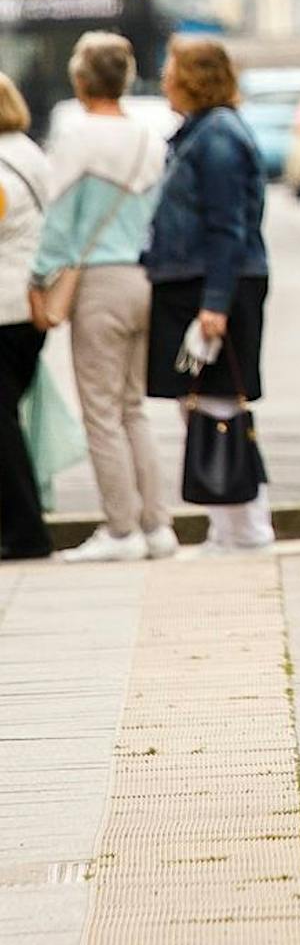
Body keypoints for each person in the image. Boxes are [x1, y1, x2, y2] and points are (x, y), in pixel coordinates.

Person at [29, 33, 169, 564]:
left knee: (102, 412)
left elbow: (59, 222)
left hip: (101, 285)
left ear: (82, 79)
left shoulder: (78, 138)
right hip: (144, 278)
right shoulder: (148, 139)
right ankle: (157, 526)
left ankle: (121, 528)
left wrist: (40, 277)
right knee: (133, 408)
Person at [142, 37, 273, 553]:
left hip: (214, 284)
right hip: (199, 281)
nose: (164, 81)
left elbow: (227, 227)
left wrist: (215, 303)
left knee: (219, 404)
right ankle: (233, 525)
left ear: (193, 79)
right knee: (210, 403)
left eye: (171, 71)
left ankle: (244, 529)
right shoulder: (203, 133)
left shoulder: (215, 138)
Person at [0, 74, 54, 560]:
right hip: (27, 305)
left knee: (2, 424)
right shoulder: (30, 152)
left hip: (5, 309)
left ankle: (25, 531)